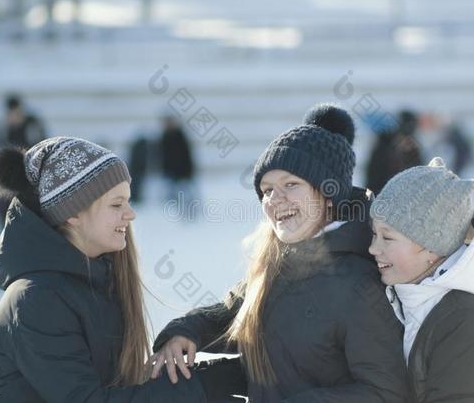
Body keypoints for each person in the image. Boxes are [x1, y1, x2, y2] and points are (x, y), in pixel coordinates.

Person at [151, 104, 409, 402]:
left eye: (291, 184)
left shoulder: (361, 283)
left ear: (328, 193)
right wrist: (185, 332)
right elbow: (237, 312)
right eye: (267, 189)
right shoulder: (280, 260)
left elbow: (385, 392)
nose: (275, 199)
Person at [0, 137, 244, 402]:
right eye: (117, 204)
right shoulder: (36, 299)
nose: (131, 214)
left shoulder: (95, 280)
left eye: (128, 202)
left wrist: (201, 375)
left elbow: (117, 387)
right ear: (72, 213)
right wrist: (200, 388)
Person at [369, 157, 474, 402]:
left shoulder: (468, 324)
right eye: (374, 234)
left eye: (387, 238)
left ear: (432, 246)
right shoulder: (406, 301)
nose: (373, 248)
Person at [365, 109, 422, 195]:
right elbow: (372, 177)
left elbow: (420, 177)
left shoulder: (414, 151)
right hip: (382, 197)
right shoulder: (383, 148)